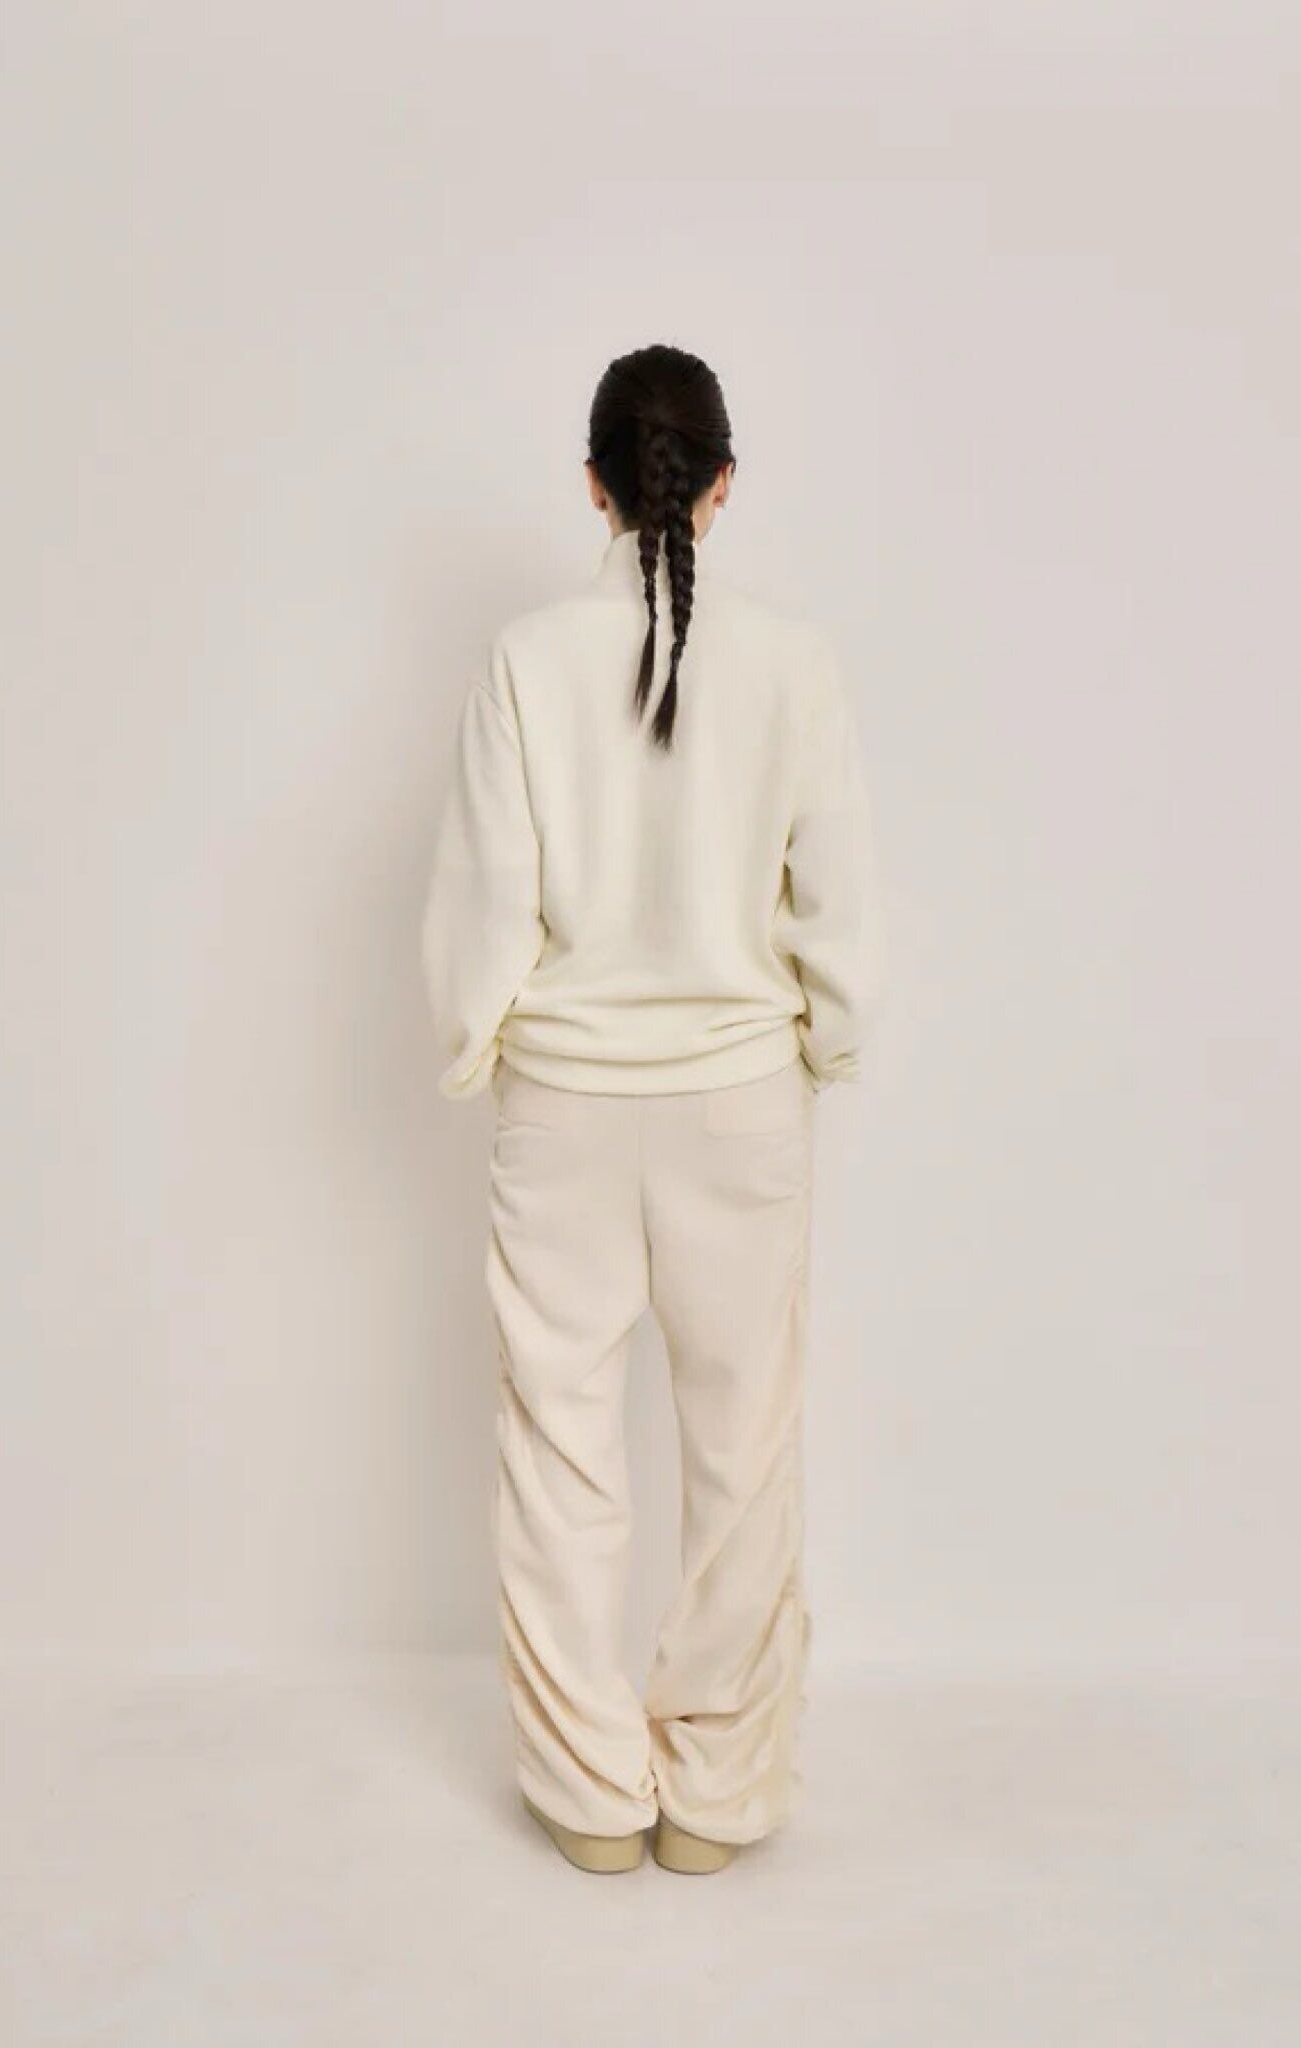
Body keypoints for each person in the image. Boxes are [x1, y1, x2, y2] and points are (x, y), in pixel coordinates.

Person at [420, 343, 880, 1876]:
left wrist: (478, 1042)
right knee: (743, 1453)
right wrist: (828, 1045)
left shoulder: (526, 657)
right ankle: (719, 1795)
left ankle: (589, 1796)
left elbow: (485, 898)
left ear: (594, 488)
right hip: (737, 1103)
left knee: (559, 1452)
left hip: (563, 1103)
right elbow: (836, 901)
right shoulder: (795, 664)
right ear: (722, 483)